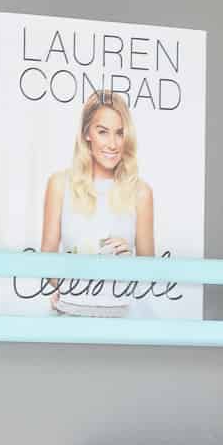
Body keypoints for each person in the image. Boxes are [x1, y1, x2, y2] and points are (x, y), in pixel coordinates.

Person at [41, 90, 154, 315]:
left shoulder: (141, 192)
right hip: (70, 313)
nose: (113, 144)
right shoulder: (59, 184)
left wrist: (128, 262)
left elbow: (151, 273)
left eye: (120, 133)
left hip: (122, 316)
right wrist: (70, 287)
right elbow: (46, 264)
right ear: (87, 134)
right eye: (103, 132)